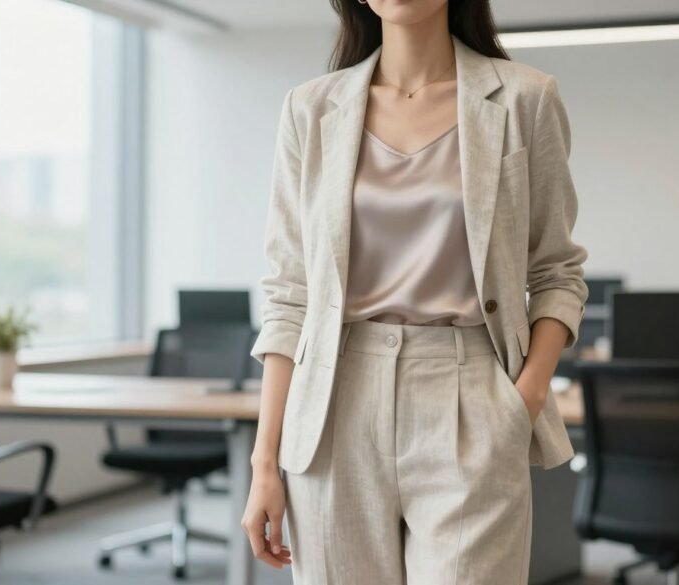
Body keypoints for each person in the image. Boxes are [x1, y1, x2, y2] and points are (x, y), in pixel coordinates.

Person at [242, 0, 588, 582]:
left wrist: (519, 404)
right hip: (333, 405)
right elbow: (290, 295)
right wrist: (264, 461)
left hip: (471, 397)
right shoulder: (309, 108)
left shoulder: (525, 98)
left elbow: (557, 272)